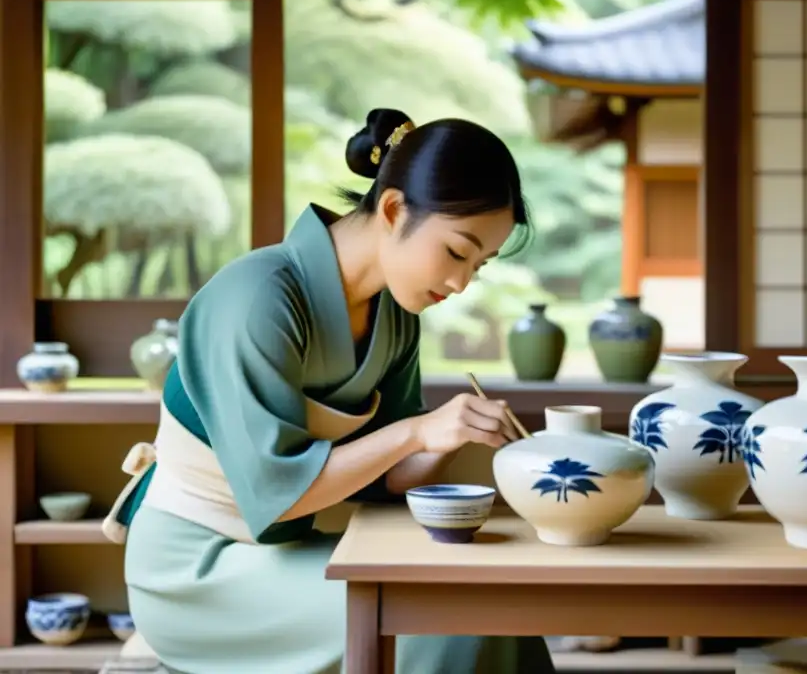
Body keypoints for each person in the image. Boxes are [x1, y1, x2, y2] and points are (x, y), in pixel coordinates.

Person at [103, 108, 557, 674]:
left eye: (479, 266)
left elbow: (384, 481)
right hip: (202, 570)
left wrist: (445, 436)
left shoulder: (397, 317)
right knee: (446, 625)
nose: (461, 283)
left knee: (500, 614)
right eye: (457, 252)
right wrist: (415, 430)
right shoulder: (255, 298)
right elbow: (280, 497)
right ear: (393, 209)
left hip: (290, 554)